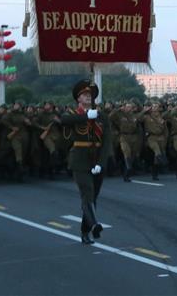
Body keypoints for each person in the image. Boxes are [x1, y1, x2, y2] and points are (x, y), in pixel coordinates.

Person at [60, 79, 112, 245]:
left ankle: (84, 231)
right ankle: (94, 225)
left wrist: (101, 162)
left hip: (97, 159)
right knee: (87, 192)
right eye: (84, 94)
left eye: (90, 94)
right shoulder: (74, 114)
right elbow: (63, 121)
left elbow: (107, 142)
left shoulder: (101, 116)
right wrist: (84, 116)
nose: (88, 97)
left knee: (92, 198)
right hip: (80, 160)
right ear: (78, 98)